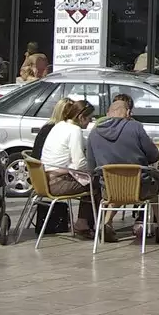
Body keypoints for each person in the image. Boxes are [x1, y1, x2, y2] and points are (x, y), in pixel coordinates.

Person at [87, 93, 159, 222]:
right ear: (128, 112)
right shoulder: (136, 127)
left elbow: (91, 166)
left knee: (118, 186)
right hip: (139, 187)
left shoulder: (94, 132)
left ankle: (107, 222)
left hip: (108, 189)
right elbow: (153, 155)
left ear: (108, 113)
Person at [40, 97, 96, 238]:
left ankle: (83, 223)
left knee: (91, 180)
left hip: (43, 180)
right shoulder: (74, 130)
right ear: (81, 117)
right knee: (98, 184)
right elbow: (79, 163)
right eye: (89, 118)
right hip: (57, 183)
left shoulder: (59, 125)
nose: (90, 122)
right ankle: (83, 224)